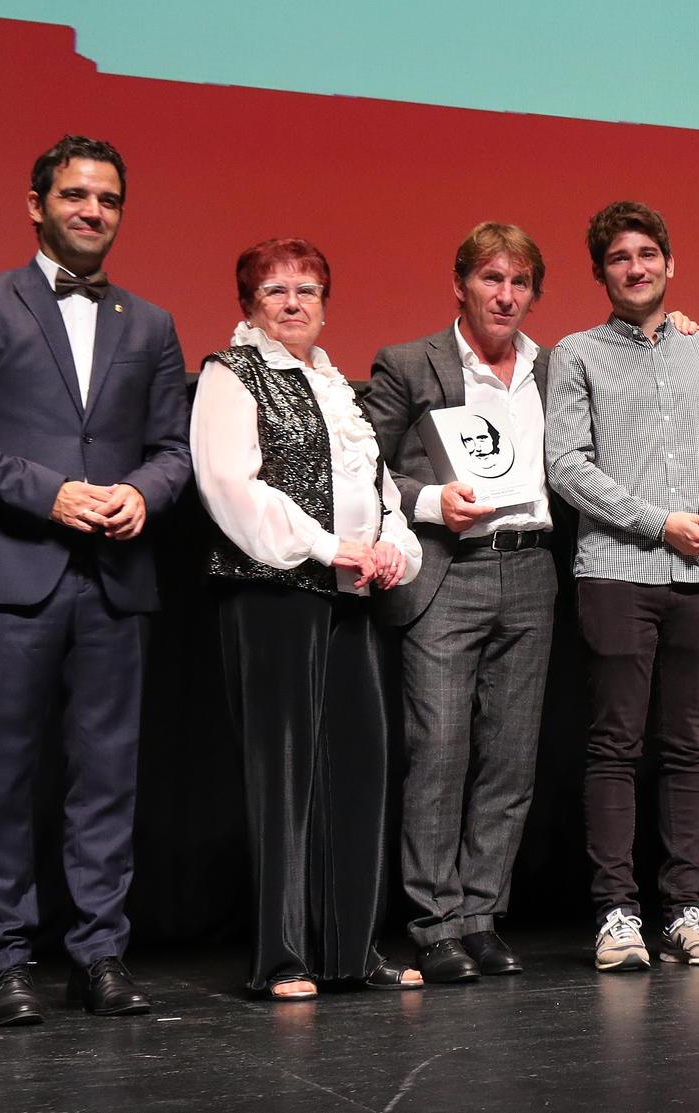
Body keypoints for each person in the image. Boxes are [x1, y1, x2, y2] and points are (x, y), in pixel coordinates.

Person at [0, 134, 191, 1026]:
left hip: (114, 578)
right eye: (74, 195)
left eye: (107, 199)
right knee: (1, 775)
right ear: (36, 204)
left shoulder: (147, 323)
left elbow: (175, 449)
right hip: (4, 573)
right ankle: (4, 960)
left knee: (107, 777)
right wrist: (50, 493)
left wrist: (143, 496)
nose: (92, 211)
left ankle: (99, 955)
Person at [190, 237, 424, 997]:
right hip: (274, 595)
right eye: (276, 292)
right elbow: (232, 487)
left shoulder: (331, 381)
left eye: (308, 291)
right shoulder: (234, 374)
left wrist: (392, 547)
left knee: (359, 771)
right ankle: (281, 958)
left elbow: (381, 490)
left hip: (349, 595)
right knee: (282, 780)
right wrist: (330, 547)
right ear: (249, 305)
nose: (294, 304)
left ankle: (352, 951)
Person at [545, 201, 699, 972]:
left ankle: (685, 910)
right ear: (601, 273)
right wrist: (658, 522)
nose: (636, 267)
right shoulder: (575, 353)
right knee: (614, 745)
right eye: (619, 258)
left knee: (687, 746)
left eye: (647, 253)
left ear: (670, 262)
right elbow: (566, 463)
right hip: (615, 570)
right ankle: (617, 912)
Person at [365, 223, 560, 983]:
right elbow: (365, 467)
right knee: (440, 752)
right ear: (461, 284)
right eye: (491, 279)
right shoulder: (410, 362)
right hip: (448, 571)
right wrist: (424, 500)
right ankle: (434, 920)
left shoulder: (555, 366)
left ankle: (481, 914)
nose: (505, 295)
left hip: (531, 568)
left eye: (519, 283)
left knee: (509, 759)